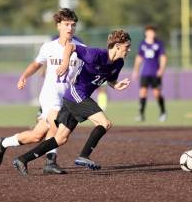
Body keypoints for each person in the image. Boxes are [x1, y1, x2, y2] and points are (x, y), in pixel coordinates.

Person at [12, 29, 131, 176]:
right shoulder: (95, 54)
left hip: (76, 98)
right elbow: (70, 47)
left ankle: (23, 159)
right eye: (127, 46)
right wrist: (65, 63)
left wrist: (116, 85)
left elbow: (110, 79)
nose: (129, 49)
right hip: (76, 94)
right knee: (104, 123)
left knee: (60, 138)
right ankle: (84, 156)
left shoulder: (119, 63)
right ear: (117, 46)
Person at [0, 8, 84, 174]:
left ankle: (4, 143)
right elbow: (36, 64)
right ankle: (50, 162)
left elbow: (91, 68)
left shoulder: (81, 48)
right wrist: (24, 76)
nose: (70, 28)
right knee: (58, 122)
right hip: (50, 95)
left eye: (73, 25)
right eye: (66, 24)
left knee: (37, 135)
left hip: (67, 97)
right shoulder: (49, 47)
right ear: (58, 26)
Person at [132, 25, 167, 122]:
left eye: (153, 32)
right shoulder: (142, 44)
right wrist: (136, 70)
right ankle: (141, 115)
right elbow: (139, 58)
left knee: (157, 94)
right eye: (149, 32)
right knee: (142, 93)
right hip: (145, 73)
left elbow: (163, 57)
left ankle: (163, 112)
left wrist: (161, 69)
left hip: (155, 73)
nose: (151, 34)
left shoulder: (158, 44)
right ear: (146, 33)